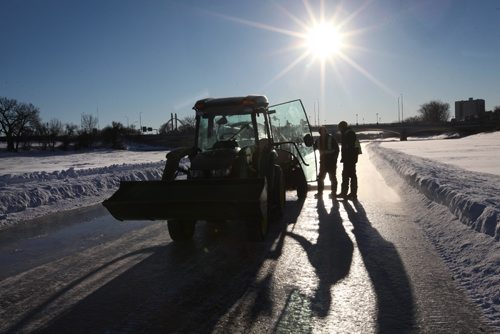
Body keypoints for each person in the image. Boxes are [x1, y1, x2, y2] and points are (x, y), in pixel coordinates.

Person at [337, 121, 360, 200]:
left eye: (339, 128)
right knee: (347, 175)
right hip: (349, 158)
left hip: (350, 158)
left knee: (350, 175)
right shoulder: (347, 133)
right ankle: (346, 193)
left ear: (342, 127)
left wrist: (347, 158)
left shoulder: (349, 133)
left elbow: (350, 147)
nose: (339, 129)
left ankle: (351, 194)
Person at [314, 126, 339, 197]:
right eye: (321, 132)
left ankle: (333, 193)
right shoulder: (318, 140)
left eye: (323, 131)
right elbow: (313, 147)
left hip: (331, 162)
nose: (322, 133)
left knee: (332, 178)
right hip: (323, 162)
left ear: (325, 131)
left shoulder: (331, 139)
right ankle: (320, 193)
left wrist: (335, 159)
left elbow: (336, 150)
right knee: (321, 178)